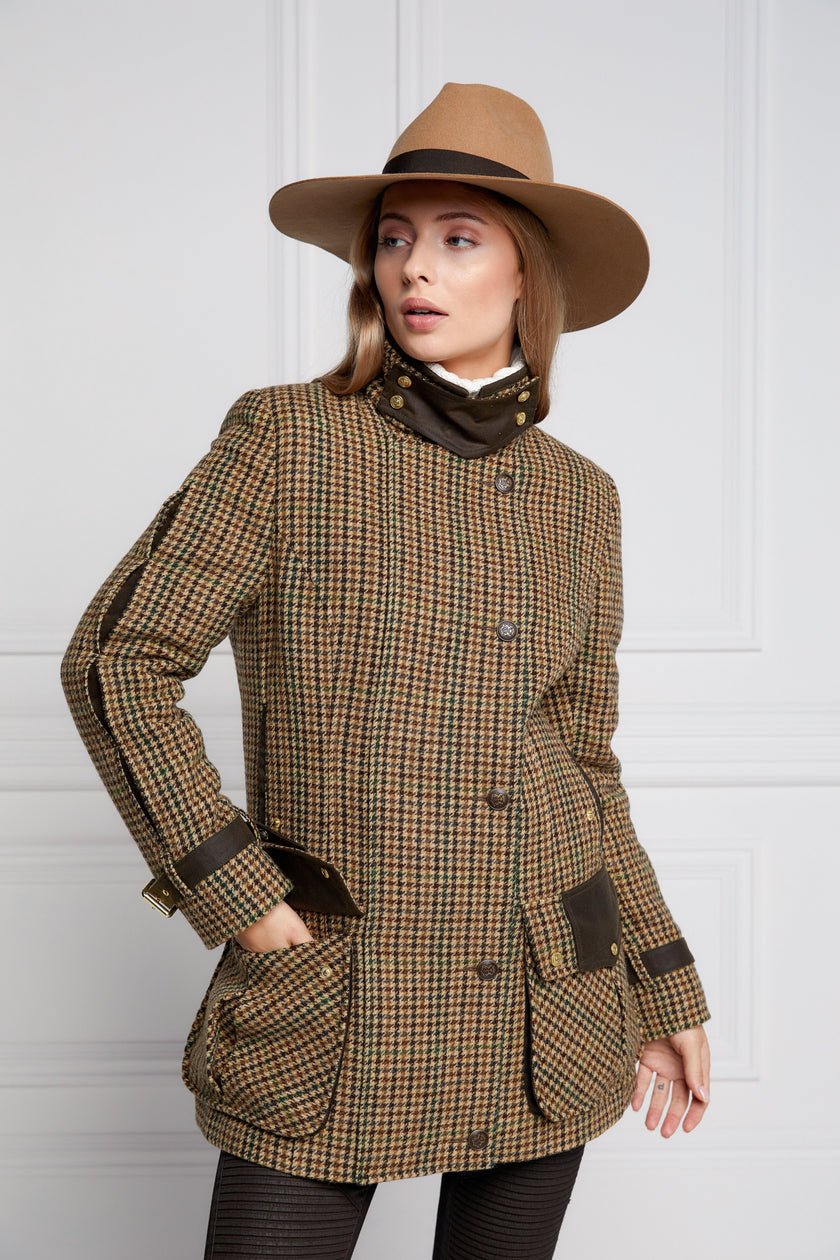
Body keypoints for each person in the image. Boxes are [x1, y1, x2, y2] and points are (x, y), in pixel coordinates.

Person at [61, 83, 711, 1260]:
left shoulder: (583, 498)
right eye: (397, 239)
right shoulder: (287, 439)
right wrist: (237, 890)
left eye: (459, 240)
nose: (416, 268)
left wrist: (662, 987)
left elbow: (582, 760)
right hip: (348, 990)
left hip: (547, 996)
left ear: (530, 277)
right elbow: (121, 661)